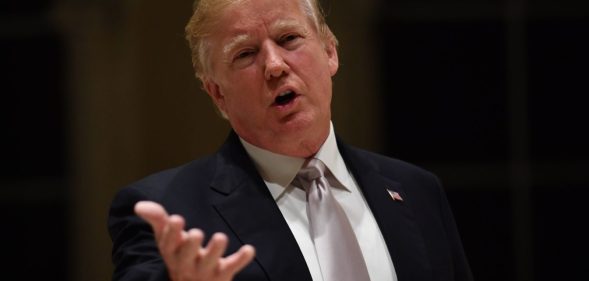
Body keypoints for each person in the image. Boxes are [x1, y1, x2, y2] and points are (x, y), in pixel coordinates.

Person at [108, 0, 473, 280]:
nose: (275, 65)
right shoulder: (168, 216)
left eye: (289, 39)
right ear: (217, 93)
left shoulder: (418, 192)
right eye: (245, 54)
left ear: (330, 51)